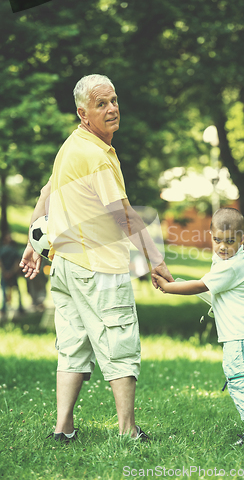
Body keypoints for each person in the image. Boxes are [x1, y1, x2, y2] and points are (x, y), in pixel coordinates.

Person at [20, 74, 173, 442]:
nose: (112, 109)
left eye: (114, 101)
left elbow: (47, 191)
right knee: (119, 344)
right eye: (101, 104)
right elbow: (126, 216)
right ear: (83, 112)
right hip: (99, 270)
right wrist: (157, 260)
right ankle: (126, 430)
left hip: (66, 269)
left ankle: (63, 429)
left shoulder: (72, 145)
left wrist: (32, 242)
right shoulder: (96, 157)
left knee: (72, 347)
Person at [153, 207, 244, 447]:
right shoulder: (229, 259)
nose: (222, 247)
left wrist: (168, 287)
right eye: (217, 240)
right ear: (210, 235)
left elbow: (201, 286)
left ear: (242, 239)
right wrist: (177, 282)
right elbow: (212, 292)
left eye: (229, 241)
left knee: (241, 383)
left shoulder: (231, 265)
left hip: (240, 338)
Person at [0, 233, 24, 321]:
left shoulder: (13, 250)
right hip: (8, 274)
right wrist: (7, 272)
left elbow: (17, 262)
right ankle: (4, 308)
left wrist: (9, 272)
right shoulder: (5, 250)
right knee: (5, 292)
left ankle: (19, 307)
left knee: (15, 291)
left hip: (10, 274)